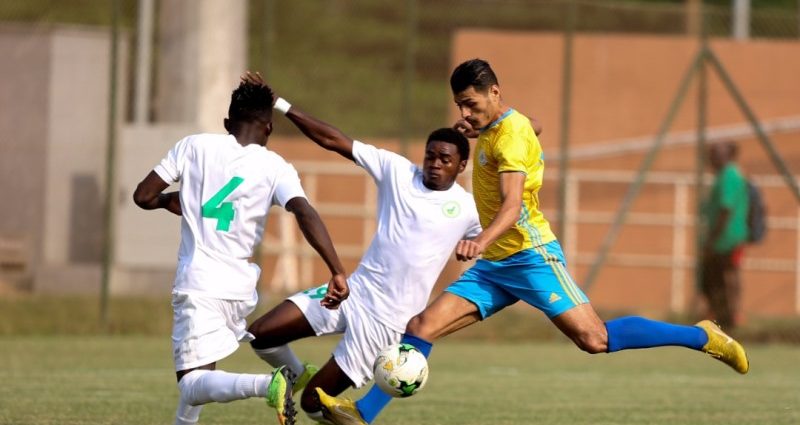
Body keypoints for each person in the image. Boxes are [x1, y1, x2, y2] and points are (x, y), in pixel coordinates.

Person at [317, 58, 750, 425]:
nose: (465, 113)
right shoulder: (506, 124)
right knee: (420, 327)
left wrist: (480, 240)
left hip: (530, 256)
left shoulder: (508, 138)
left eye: (471, 104)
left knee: (594, 339)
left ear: (494, 92)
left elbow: (511, 206)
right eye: (460, 105)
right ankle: (363, 414)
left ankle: (702, 336)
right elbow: (533, 124)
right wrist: (483, 127)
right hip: (496, 266)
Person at [238, 72, 482, 424]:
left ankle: (326, 403)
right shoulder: (398, 171)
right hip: (352, 293)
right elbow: (334, 139)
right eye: (430, 156)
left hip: (387, 322)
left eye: (444, 159)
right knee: (260, 335)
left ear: (461, 166)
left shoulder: (468, 208)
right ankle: (298, 374)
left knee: (312, 405)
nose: (435, 164)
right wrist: (281, 104)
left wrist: (479, 244)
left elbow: (503, 235)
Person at [132, 77, 349, 425]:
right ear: (269, 128)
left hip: (199, 283)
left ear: (227, 123)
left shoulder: (194, 146)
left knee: (191, 383)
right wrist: (336, 269)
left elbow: (143, 196)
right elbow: (305, 212)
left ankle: (269, 384)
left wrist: (178, 202)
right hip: (239, 287)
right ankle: (293, 374)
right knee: (200, 376)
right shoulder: (276, 166)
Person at [700, 141, 749, 329]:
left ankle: (731, 316)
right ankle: (720, 315)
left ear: (727, 156)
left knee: (727, 276)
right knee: (715, 277)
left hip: (728, 239)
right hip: (723, 239)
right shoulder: (724, 176)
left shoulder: (729, 175)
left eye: (715, 154)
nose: (711, 158)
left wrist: (713, 238)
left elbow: (725, 209)